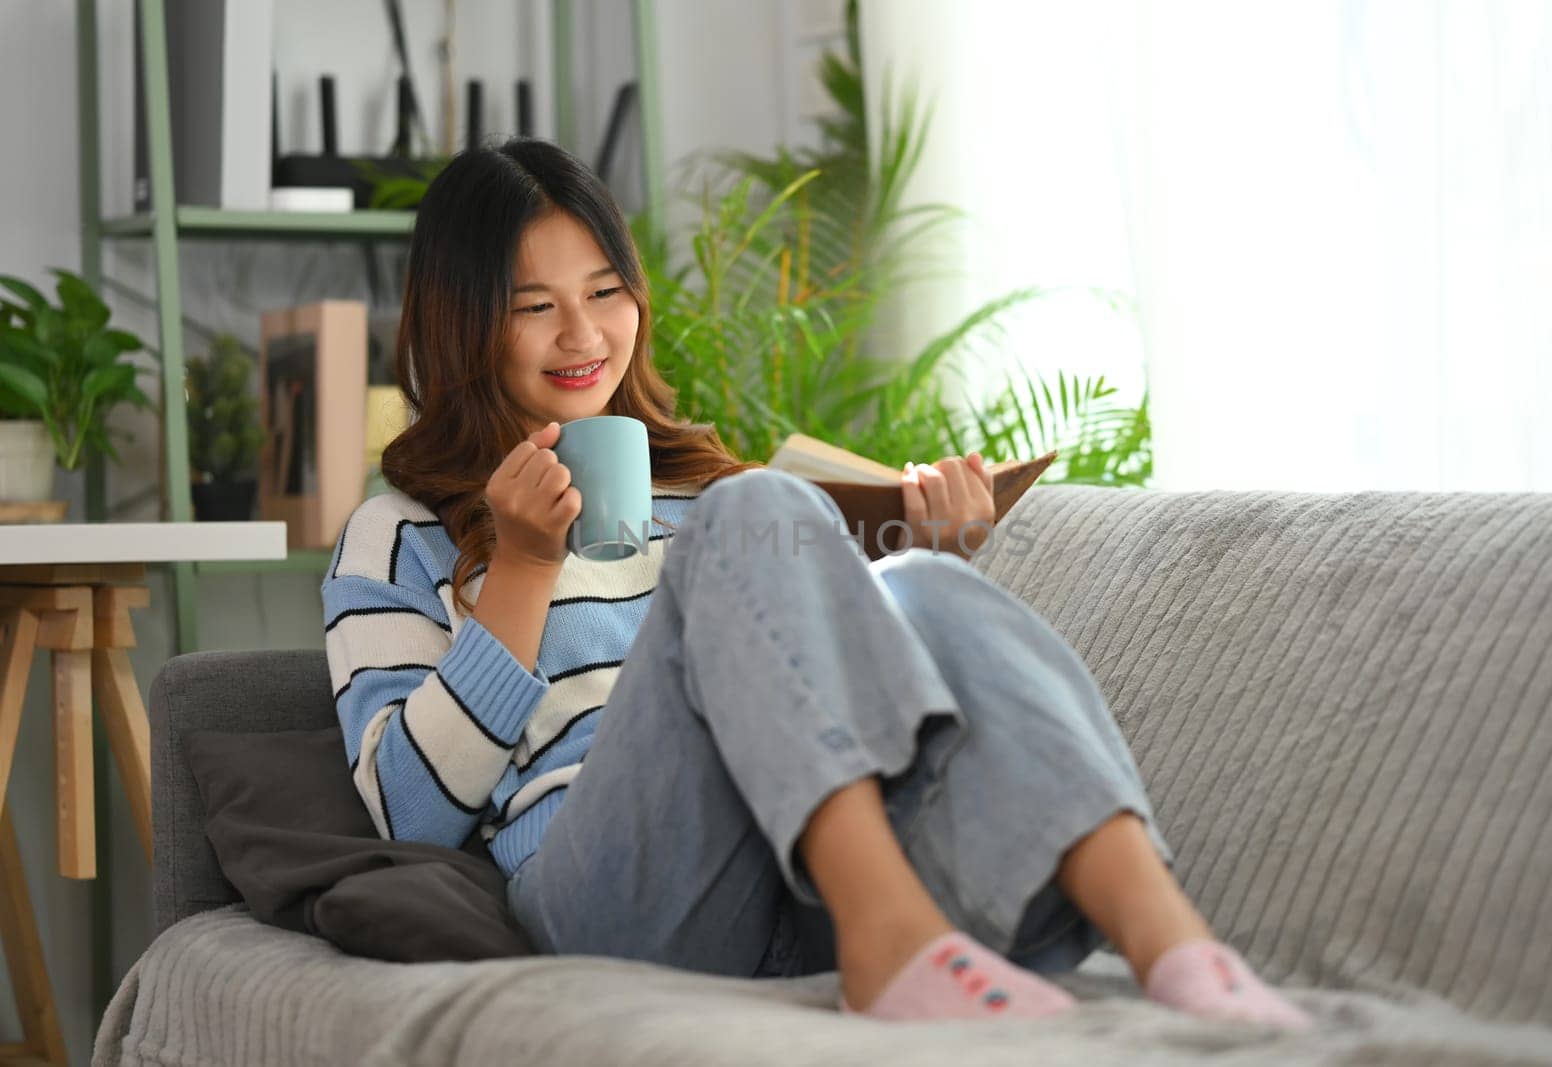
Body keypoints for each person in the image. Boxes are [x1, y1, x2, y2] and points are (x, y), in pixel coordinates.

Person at [321, 138, 1313, 1028]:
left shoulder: (717, 496)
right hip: (612, 892)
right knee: (762, 511)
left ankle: (1175, 948)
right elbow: (412, 812)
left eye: (605, 292)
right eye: (534, 307)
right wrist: (526, 562)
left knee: (921, 579)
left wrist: (923, 554)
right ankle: (889, 938)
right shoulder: (397, 533)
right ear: (461, 327)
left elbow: (828, 683)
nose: (583, 335)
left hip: (800, 887)